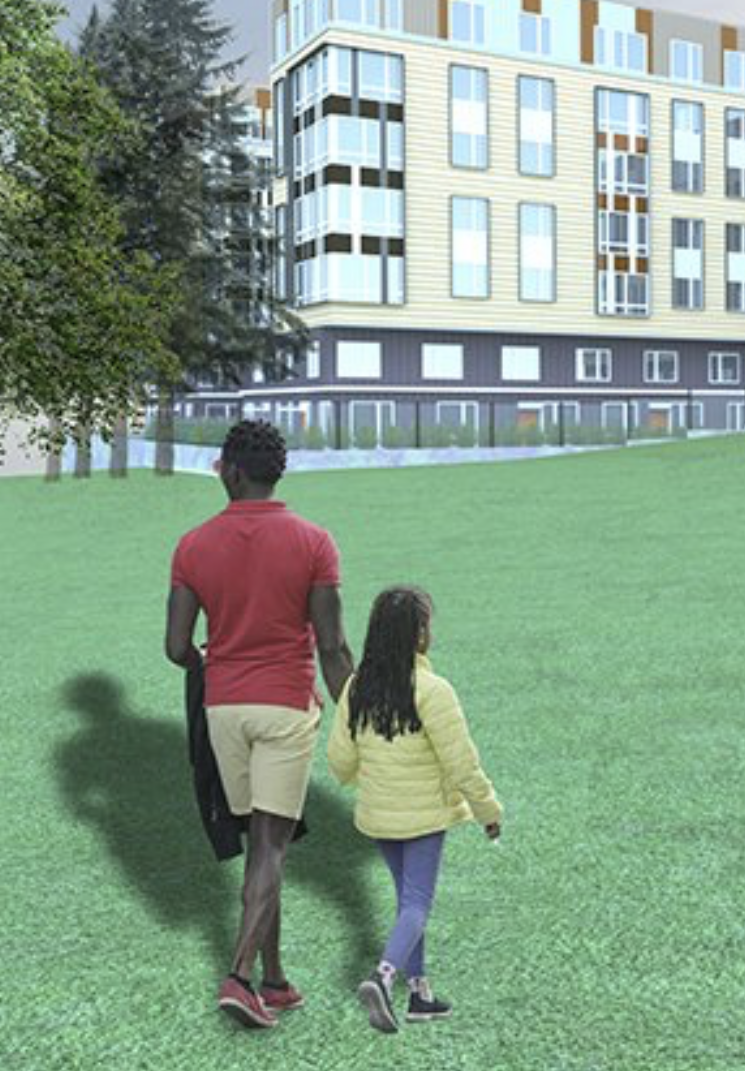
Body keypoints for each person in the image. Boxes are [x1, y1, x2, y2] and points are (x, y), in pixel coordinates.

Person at [165, 420, 353, 1030]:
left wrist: (208, 665)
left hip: (225, 709)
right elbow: (331, 644)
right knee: (271, 847)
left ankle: (275, 979)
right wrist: (354, 712)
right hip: (285, 706)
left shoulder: (192, 545)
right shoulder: (315, 541)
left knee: (260, 847)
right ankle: (240, 977)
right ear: (274, 473)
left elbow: (175, 647)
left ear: (229, 469)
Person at [329, 586, 503, 1035]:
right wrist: (488, 811)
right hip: (423, 816)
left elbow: (341, 763)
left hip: (379, 816)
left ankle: (421, 994)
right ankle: (383, 979)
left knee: (408, 901)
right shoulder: (433, 690)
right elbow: (462, 764)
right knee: (417, 902)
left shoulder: (356, 687)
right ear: (419, 633)